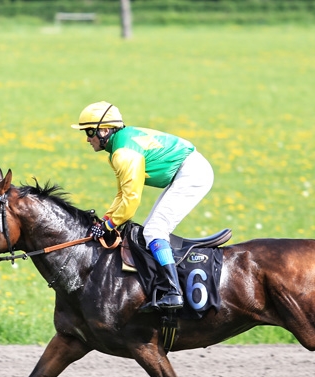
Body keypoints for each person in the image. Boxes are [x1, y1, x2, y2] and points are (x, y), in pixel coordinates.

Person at [72, 101, 214, 310]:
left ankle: (174, 292)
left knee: (155, 231)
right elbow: (122, 193)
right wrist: (106, 220)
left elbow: (131, 200)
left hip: (192, 173)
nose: (87, 138)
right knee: (148, 232)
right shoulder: (118, 147)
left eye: (90, 131)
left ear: (104, 130)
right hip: (186, 171)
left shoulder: (123, 153)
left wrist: (108, 225)